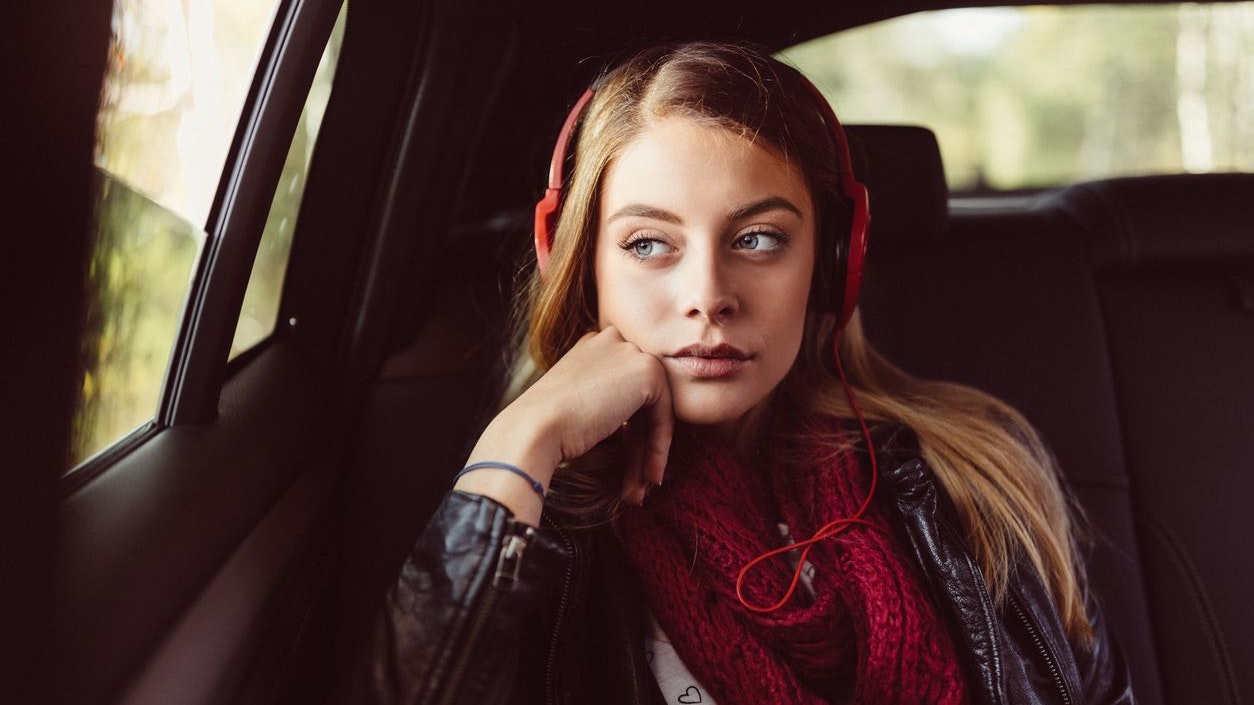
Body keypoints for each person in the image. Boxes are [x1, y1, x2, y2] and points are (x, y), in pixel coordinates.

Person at [362, 41, 1135, 705]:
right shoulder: (527, 526)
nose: (708, 297)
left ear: (834, 264)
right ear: (580, 265)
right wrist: (524, 436)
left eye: (759, 239)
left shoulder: (974, 471)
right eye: (647, 244)